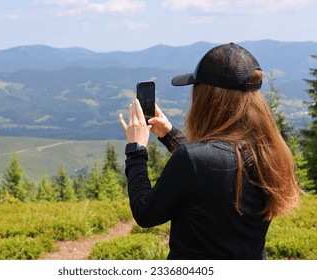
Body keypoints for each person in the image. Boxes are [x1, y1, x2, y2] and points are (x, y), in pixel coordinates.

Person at [118, 43, 302, 260]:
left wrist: (136, 150)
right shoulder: (269, 154)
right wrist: (169, 134)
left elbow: (145, 213)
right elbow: (215, 168)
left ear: (206, 99)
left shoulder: (193, 161)